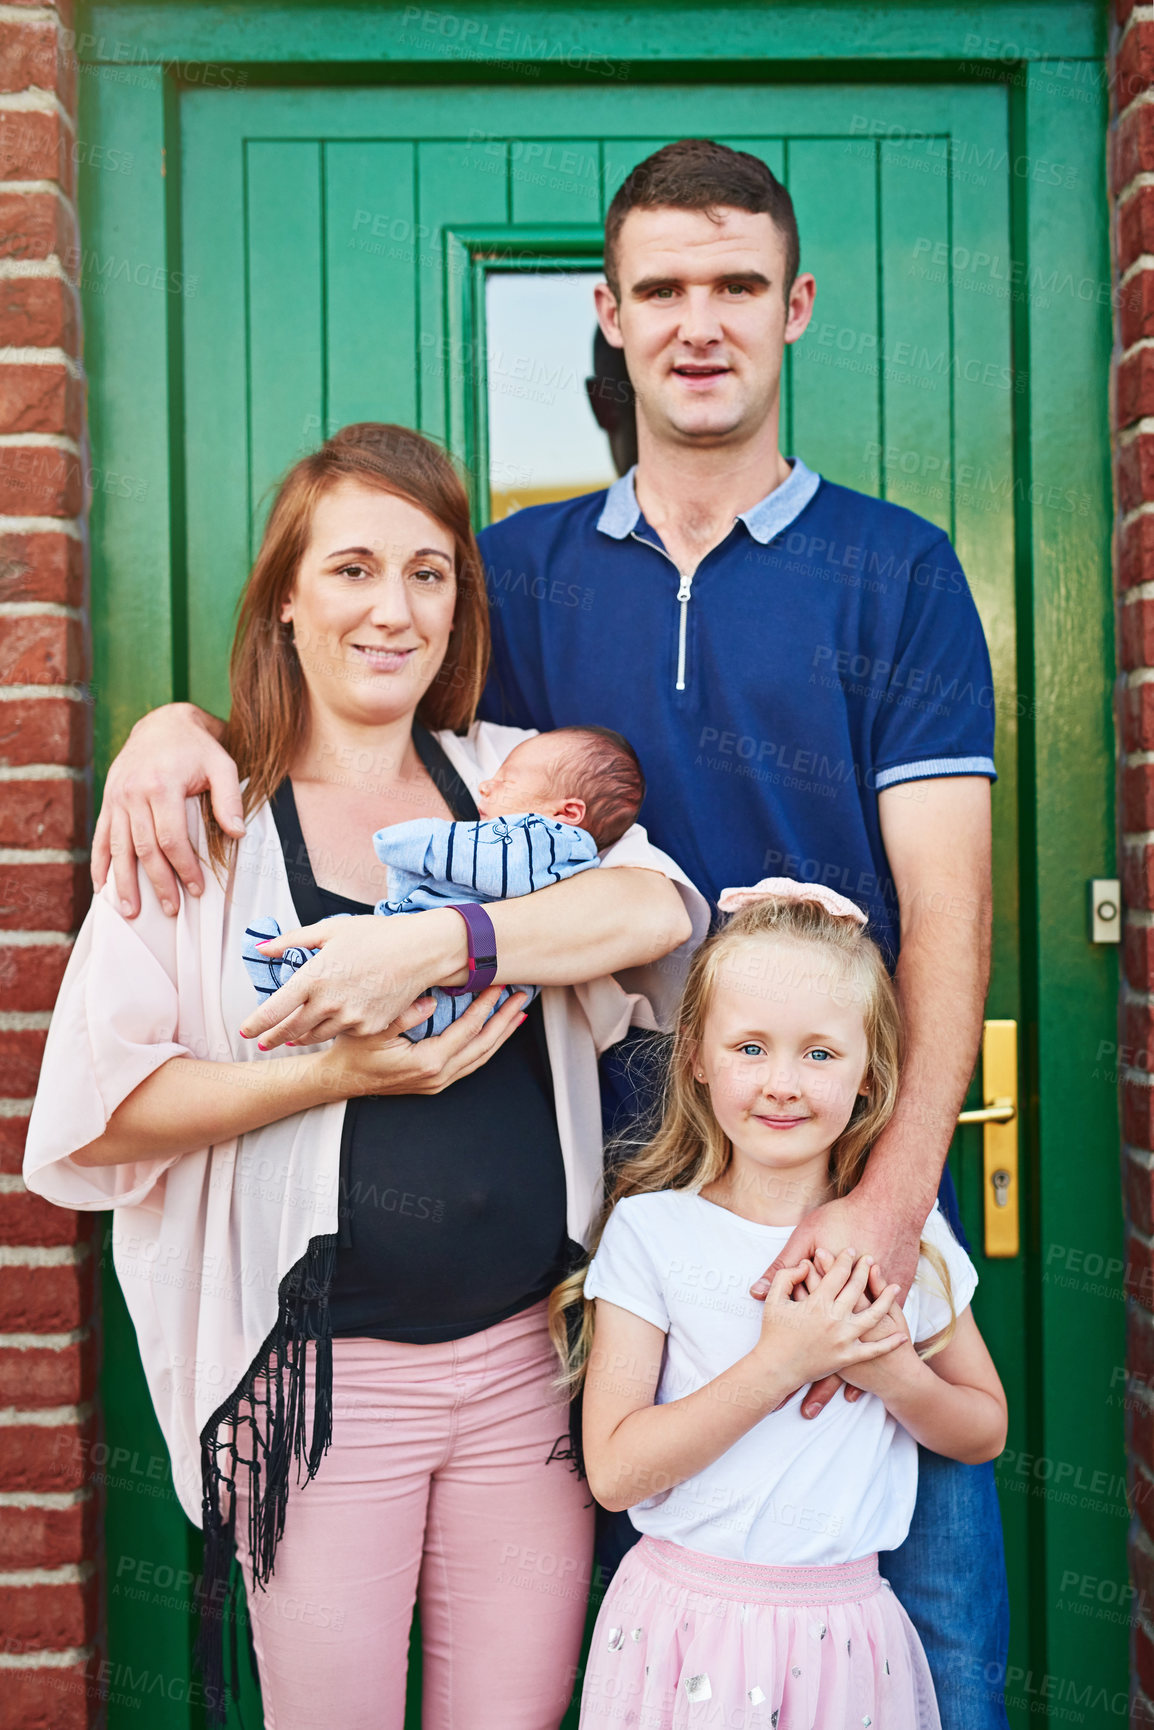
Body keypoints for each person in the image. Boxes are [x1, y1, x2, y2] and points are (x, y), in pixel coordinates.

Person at [87, 139, 1009, 1725]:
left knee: (903, 1641)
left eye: (734, 284)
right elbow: (350, 690)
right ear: (608, 314)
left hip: (835, 1190)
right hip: (606, 1228)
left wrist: (889, 1198)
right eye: (660, 289)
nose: (696, 321)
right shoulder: (510, 574)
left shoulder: (899, 573)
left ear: (793, 307)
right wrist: (169, 726)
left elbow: (947, 916)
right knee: (651, 1650)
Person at [23, 423, 706, 1730]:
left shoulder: (515, 787)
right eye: (350, 570)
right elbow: (102, 1113)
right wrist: (334, 1073)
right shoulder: (206, 823)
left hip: (528, 1380)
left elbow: (654, 914)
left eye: (429, 573)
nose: (392, 609)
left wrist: (433, 942)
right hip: (324, 1394)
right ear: (287, 596)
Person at [558, 882, 1007, 1729]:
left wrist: (894, 1376)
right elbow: (616, 1473)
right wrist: (783, 1362)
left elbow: (984, 1426)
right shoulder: (651, 1234)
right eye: (751, 1047)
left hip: (847, 1639)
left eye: (820, 1054)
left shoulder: (908, 1243)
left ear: (872, 1072)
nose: (782, 1084)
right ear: (696, 1054)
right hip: (684, 1630)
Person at [241, 724, 647, 1038]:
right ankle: (304, 981)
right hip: (473, 995)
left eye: (507, 781)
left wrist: (421, 842)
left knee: (379, 983)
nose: (486, 786)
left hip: (457, 996)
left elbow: (481, 857)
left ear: (569, 811)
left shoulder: (548, 841)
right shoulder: (567, 854)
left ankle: (301, 984)